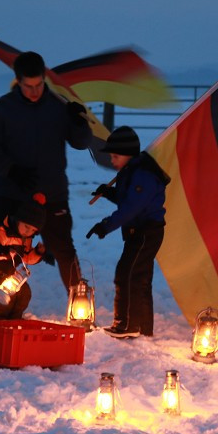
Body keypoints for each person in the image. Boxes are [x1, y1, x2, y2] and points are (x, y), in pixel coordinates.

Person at [0, 51, 92, 292]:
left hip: (52, 194)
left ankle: (78, 303)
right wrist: (11, 170)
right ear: (18, 81)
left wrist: (80, 123)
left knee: (63, 249)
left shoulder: (59, 107)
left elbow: (81, 143)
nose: (34, 91)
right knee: (4, 252)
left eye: (39, 84)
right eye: (28, 86)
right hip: (10, 192)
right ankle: (3, 306)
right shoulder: (3, 109)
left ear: (44, 79)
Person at [86, 127, 170, 339]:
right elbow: (129, 200)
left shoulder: (142, 174)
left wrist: (105, 225)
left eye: (116, 156)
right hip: (139, 233)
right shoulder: (131, 172)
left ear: (129, 154)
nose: (112, 161)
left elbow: (131, 208)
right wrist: (109, 193)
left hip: (145, 233)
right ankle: (142, 328)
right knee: (139, 277)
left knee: (128, 275)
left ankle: (127, 325)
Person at [0, 195, 49, 320]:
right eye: (26, 227)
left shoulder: (25, 239)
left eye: (32, 230)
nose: (27, 232)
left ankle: (14, 318)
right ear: (18, 220)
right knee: (3, 295)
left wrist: (38, 252)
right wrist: (4, 252)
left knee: (24, 293)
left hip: (9, 275)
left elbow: (26, 258)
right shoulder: (0, 232)